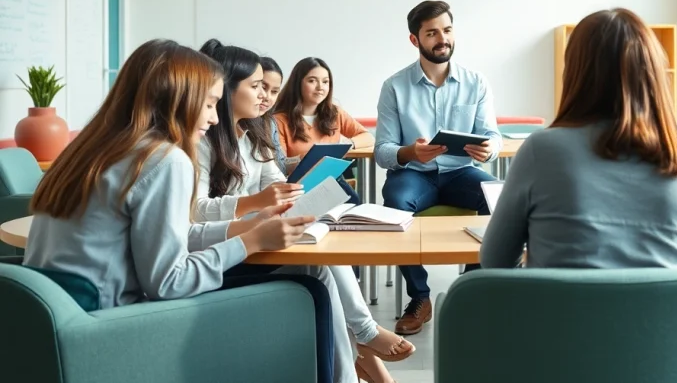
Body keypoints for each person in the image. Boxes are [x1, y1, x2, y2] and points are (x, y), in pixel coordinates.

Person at [22, 40, 336, 383]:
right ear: (178, 98)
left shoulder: (89, 150)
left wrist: (244, 230)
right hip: (106, 328)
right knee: (310, 292)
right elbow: (169, 283)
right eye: (211, 104)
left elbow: (164, 238)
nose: (216, 117)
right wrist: (251, 242)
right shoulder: (163, 159)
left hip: (54, 322)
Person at [194, 40, 413, 383]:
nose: (264, 95)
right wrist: (259, 203)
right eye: (256, 86)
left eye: (269, 88)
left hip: (256, 229)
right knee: (320, 265)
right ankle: (364, 339)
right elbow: (196, 211)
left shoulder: (253, 135)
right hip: (232, 244)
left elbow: (277, 183)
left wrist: (302, 196)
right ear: (225, 90)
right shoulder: (203, 142)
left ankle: (358, 354)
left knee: (323, 238)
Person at [480, 8, 677, 269]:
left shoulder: (543, 150)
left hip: (562, 309)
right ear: (655, 74)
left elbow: (495, 261)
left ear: (575, 73)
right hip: (671, 310)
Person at [375, 0, 502, 335]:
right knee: (395, 205)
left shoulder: (477, 82)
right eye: (431, 33)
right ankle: (420, 297)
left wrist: (488, 149)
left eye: (446, 30)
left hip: (461, 172)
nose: (441, 38)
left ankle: (471, 288)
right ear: (415, 40)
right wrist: (409, 153)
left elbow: (493, 136)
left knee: (497, 199)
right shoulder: (394, 86)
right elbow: (382, 151)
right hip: (413, 175)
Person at [273, 57, 371, 205]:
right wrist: (305, 159)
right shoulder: (279, 120)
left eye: (325, 82)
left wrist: (348, 143)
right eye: (312, 81)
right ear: (298, 83)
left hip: (331, 180)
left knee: (355, 208)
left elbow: (368, 137)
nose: (320, 87)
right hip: (299, 186)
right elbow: (280, 165)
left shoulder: (334, 113)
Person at [258, 56, 288, 173]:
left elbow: (280, 162)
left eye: (274, 92)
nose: (267, 97)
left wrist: (301, 160)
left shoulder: (270, 122)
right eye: (262, 87)